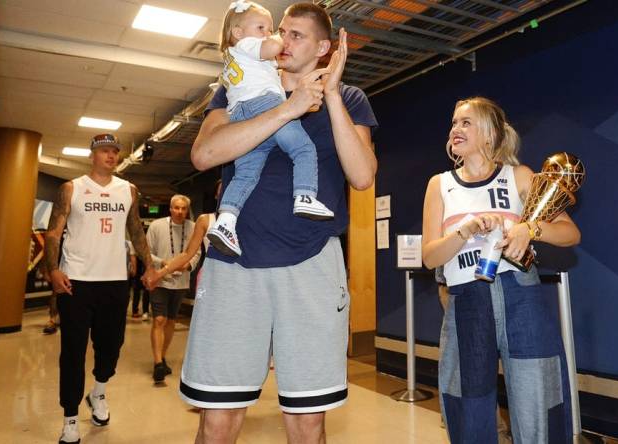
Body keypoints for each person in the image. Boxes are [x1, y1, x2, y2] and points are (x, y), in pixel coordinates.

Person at [150, 3, 378, 442]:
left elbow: (363, 176)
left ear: (324, 48)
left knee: (307, 418)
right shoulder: (236, 90)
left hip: (311, 264)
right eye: (281, 31)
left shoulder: (350, 99)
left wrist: (328, 95)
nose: (282, 41)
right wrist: (287, 109)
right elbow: (205, 155)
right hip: (235, 263)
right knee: (218, 416)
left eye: (296, 35)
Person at [421, 97, 580, 443]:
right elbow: (431, 257)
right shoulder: (440, 184)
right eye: (453, 122)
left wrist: (530, 229)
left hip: (520, 295)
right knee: (468, 401)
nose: (455, 129)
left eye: (466, 122)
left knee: (538, 395)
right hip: (466, 301)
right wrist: (464, 230)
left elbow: (570, 234)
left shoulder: (518, 176)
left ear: (490, 132)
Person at [43, 133, 158, 444]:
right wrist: (53, 269)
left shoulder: (128, 190)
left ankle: (99, 393)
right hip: (76, 281)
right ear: (92, 155)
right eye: (104, 151)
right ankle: (69, 418)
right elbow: (54, 232)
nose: (110, 155)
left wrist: (148, 266)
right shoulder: (72, 188)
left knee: (111, 346)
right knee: (73, 352)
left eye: (114, 151)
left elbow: (135, 228)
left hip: (114, 281)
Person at [205, 0, 335, 258]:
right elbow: (274, 46)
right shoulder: (247, 44)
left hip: (241, 113)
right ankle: (305, 195)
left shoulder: (242, 57)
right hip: (265, 103)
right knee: (303, 148)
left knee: (246, 174)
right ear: (238, 32)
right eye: (264, 27)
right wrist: (277, 39)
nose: (275, 35)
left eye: (293, 34)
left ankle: (226, 222)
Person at [145, 194, 200, 383]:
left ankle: (163, 356)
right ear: (170, 209)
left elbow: (197, 252)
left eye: (184, 208)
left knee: (170, 321)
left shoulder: (193, 228)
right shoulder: (156, 226)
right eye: (176, 208)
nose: (180, 212)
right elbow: (146, 252)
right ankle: (158, 363)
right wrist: (163, 262)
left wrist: (188, 265)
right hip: (160, 280)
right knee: (159, 319)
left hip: (181, 282)